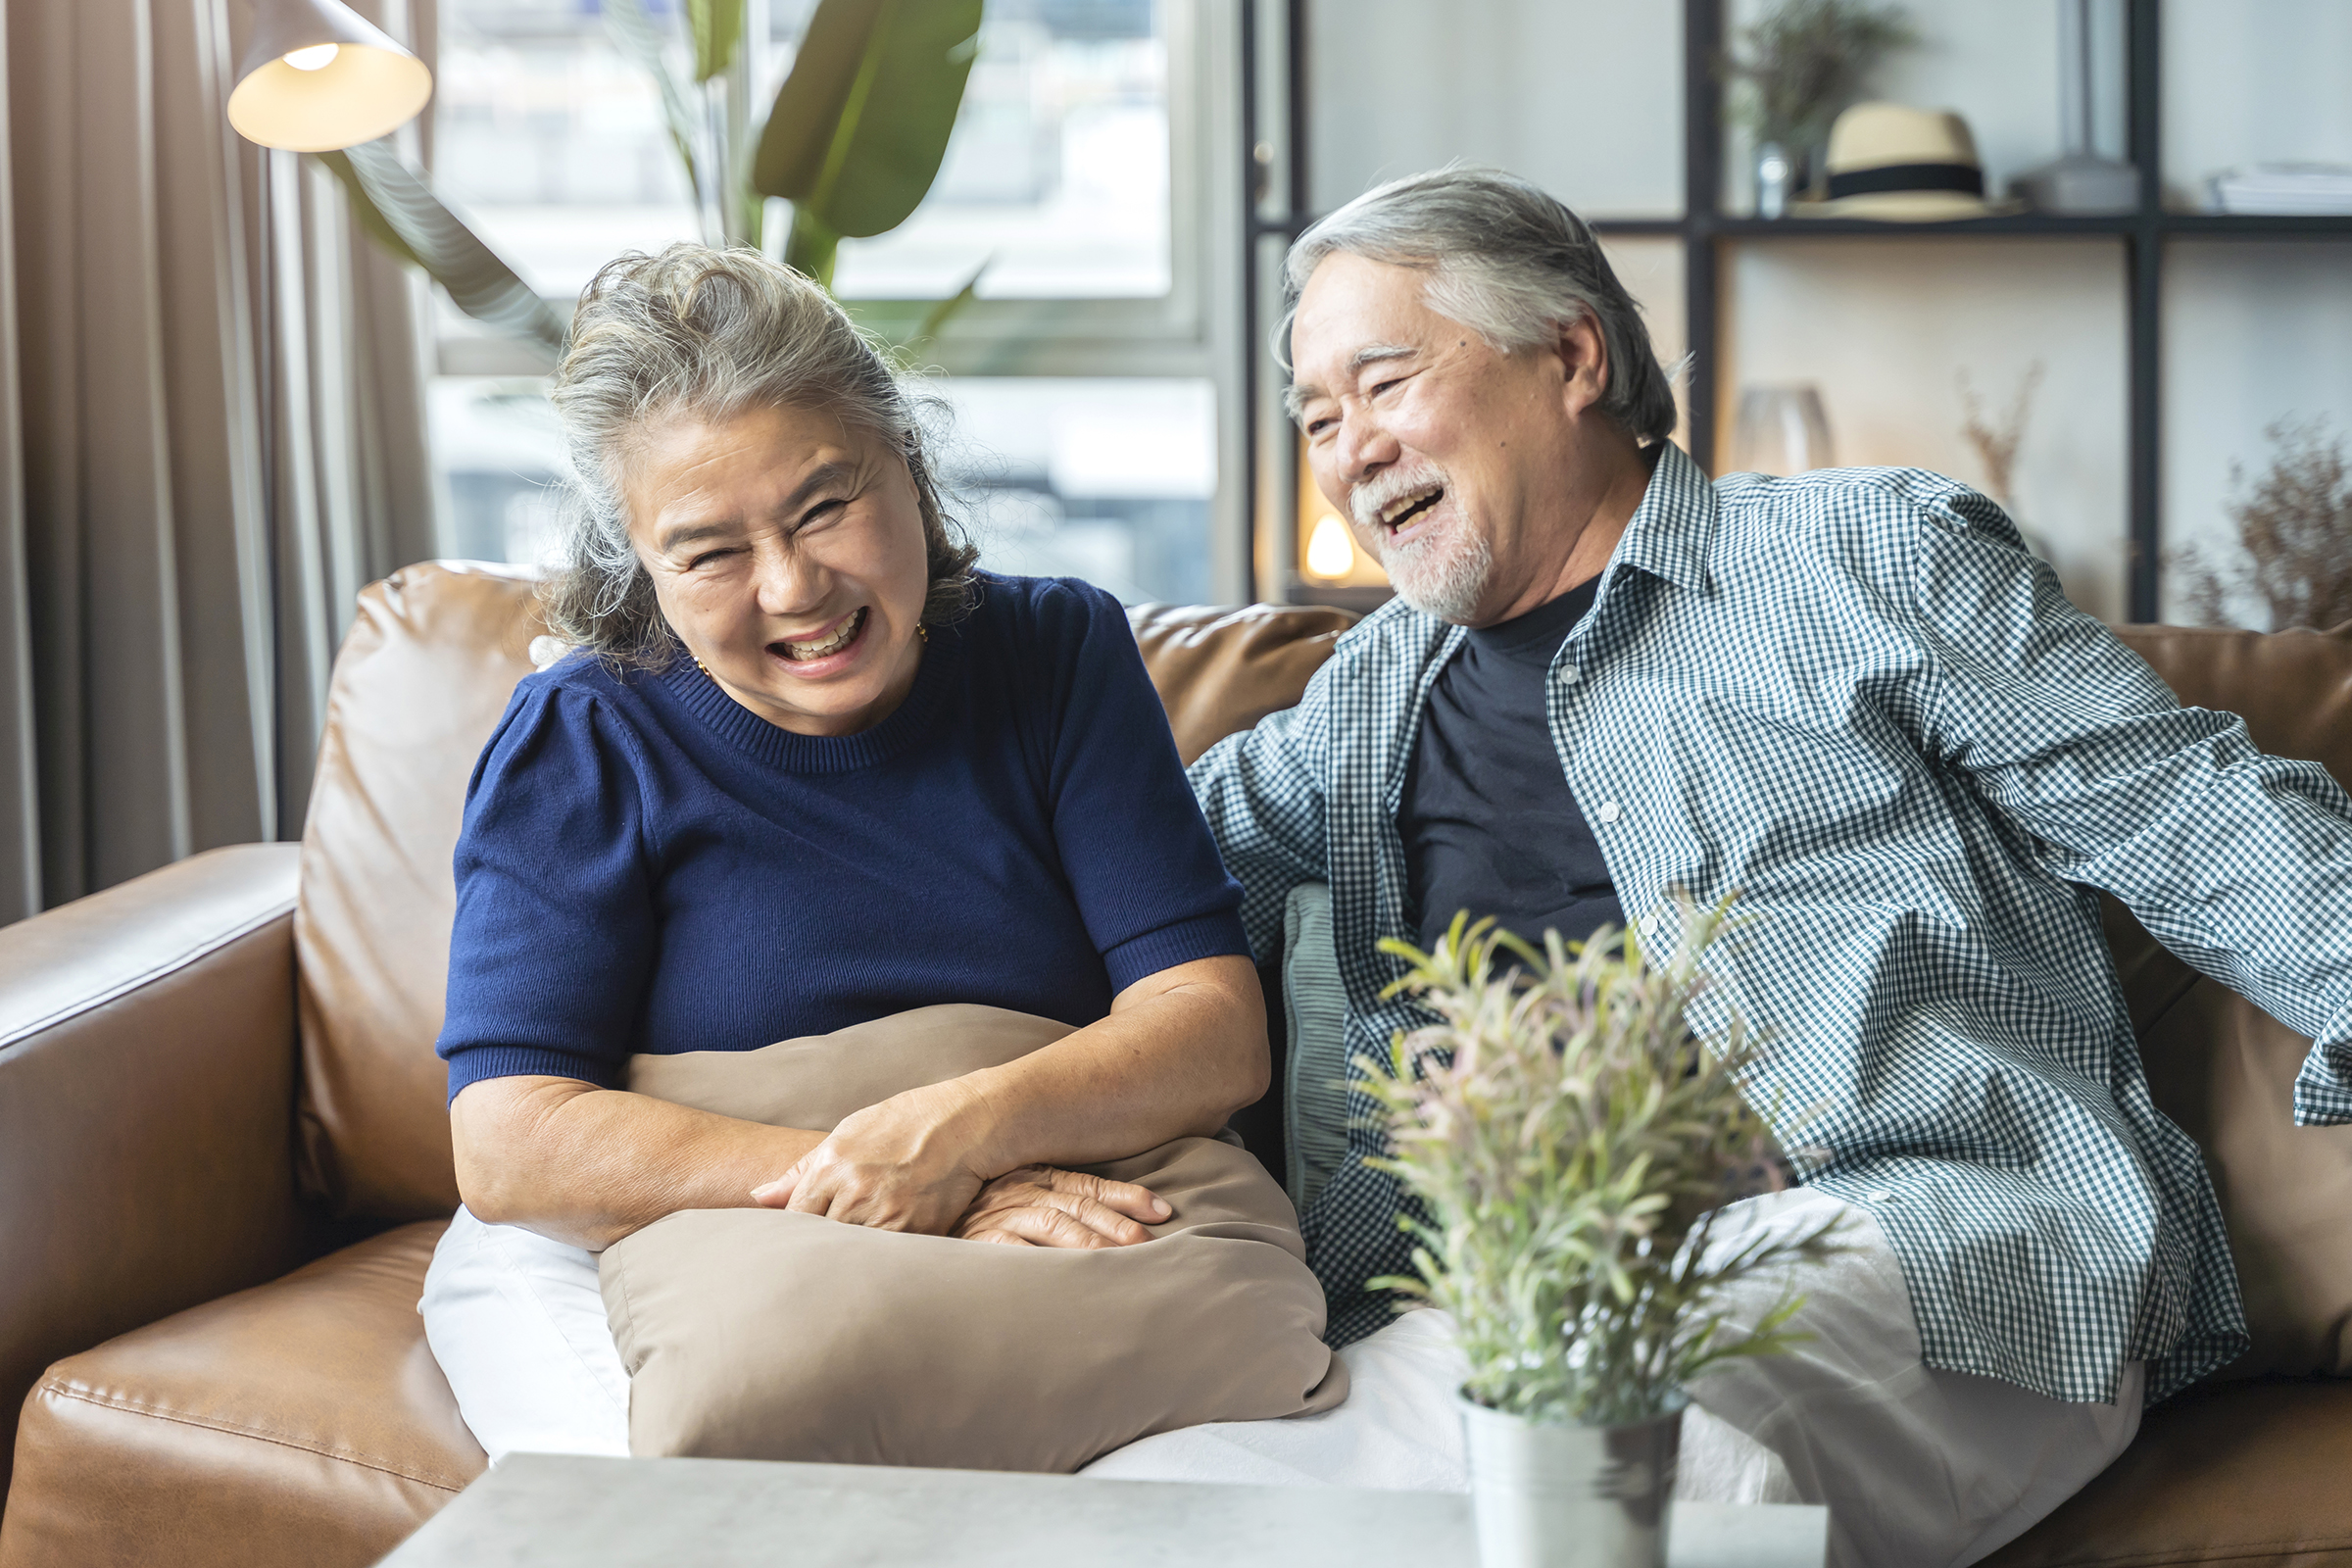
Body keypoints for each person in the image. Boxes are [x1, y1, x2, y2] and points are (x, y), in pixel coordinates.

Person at [1182, 167, 2352, 1566]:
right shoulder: (1357, 708)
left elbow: (2198, 818)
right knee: (1175, 1482)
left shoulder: (1861, 562)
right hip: (1497, 1312)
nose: (1349, 449)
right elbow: (1130, 898)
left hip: (1935, 1247)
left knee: (1630, 1441)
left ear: (1572, 356)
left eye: (1383, 384)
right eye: (1318, 417)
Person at [419, 244, 1269, 1462]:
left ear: (909, 471)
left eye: (827, 505)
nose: (793, 586)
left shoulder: (1055, 653)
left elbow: (1212, 1023)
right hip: (688, 1231)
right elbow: (509, 1138)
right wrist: (894, 1175)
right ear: (643, 574)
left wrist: (963, 1133)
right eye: (709, 551)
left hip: (1053, 1203)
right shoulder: (585, 736)